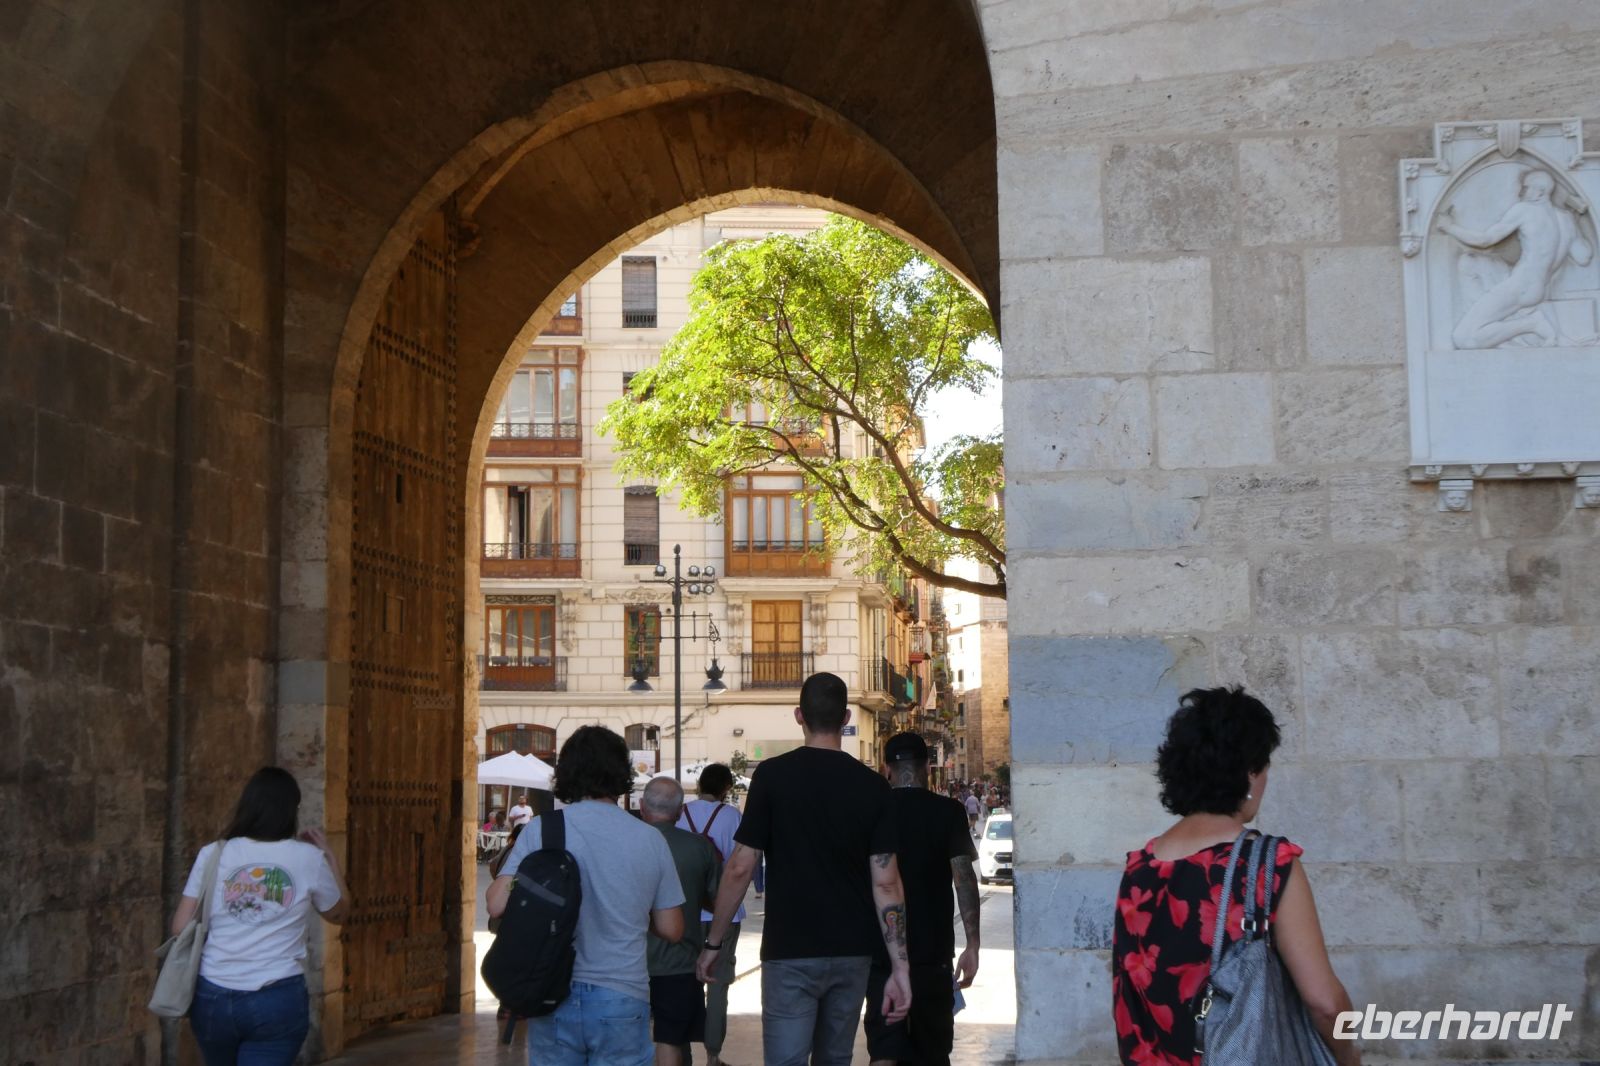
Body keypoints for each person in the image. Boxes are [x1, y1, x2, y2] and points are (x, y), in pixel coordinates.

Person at [1112, 687, 1360, 1066]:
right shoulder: (1266, 865)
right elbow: (1324, 1003)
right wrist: (1349, 1057)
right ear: (1248, 772)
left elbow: (1128, 1001)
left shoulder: (1138, 870)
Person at [696, 672, 912, 1066]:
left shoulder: (773, 777)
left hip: (789, 950)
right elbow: (887, 882)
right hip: (852, 952)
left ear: (799, 716)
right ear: (846, 717)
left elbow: (740, 867)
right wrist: (900, 966)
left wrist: (713, 942)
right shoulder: (874, 787)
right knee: (835, 1059)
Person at [488, 726, 686, 1066]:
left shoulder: (543, 829)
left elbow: (496, 903)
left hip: (553, 990)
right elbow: (672, 929)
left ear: (567, 772)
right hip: (622, 994)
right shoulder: (649, 839)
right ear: (621, 774)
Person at [169, 767, 350, 1066]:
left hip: (213, 996)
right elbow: (340, 913)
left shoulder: (213, 853)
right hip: (277, 997)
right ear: (292, 811)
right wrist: (331, 859)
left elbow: (180, 927)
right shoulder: (309, 859)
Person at [864, 733, 981, 1066]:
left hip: (882, 953)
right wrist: (973, 944)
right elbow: (964, 878)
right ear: (927, 767)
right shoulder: (949, 812)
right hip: (933, 955)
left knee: (884, 1051)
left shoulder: (873, 811)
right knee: (934, 1052)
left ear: (887, 768)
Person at [643, 777, 720, 1066]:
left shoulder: (624, 842)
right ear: (679, 812)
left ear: (641, 806)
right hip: (679, 963)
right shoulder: (699, 847)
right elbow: (717, 901)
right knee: (672, 1041)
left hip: (626, 963)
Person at [675, 763, 743, 1066]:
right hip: (725, 913)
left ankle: (681, 1053)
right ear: (726, 788)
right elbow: (740, 865)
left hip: (685, 912)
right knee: (718, 985)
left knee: (684, 983)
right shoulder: (732, 816)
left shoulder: (681, 813)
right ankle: (713, 1055)